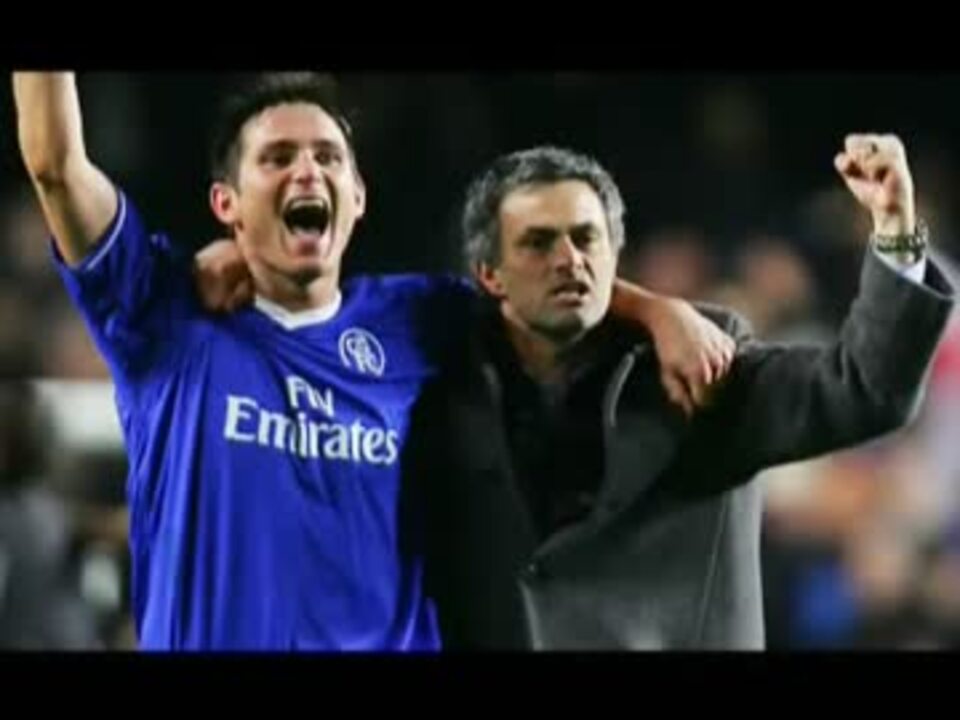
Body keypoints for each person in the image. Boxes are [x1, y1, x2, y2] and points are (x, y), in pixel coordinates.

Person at [12, 71, 732, 650]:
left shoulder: (416, 318)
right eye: (278, 158)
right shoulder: (163, 315)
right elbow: (55, 166)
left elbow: (543, 290)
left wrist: (658, 313)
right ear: (227, 202)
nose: (307, 170)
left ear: (356, 198)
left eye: (328, 157)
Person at [396, 140, 955, 649]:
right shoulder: (441, 382)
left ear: (614, 255)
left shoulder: (702, 359)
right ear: (490, 275)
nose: (569, 258)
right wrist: (650, 306)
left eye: (586, 238)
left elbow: (865, 389)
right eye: (538, 242)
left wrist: (896, 233)